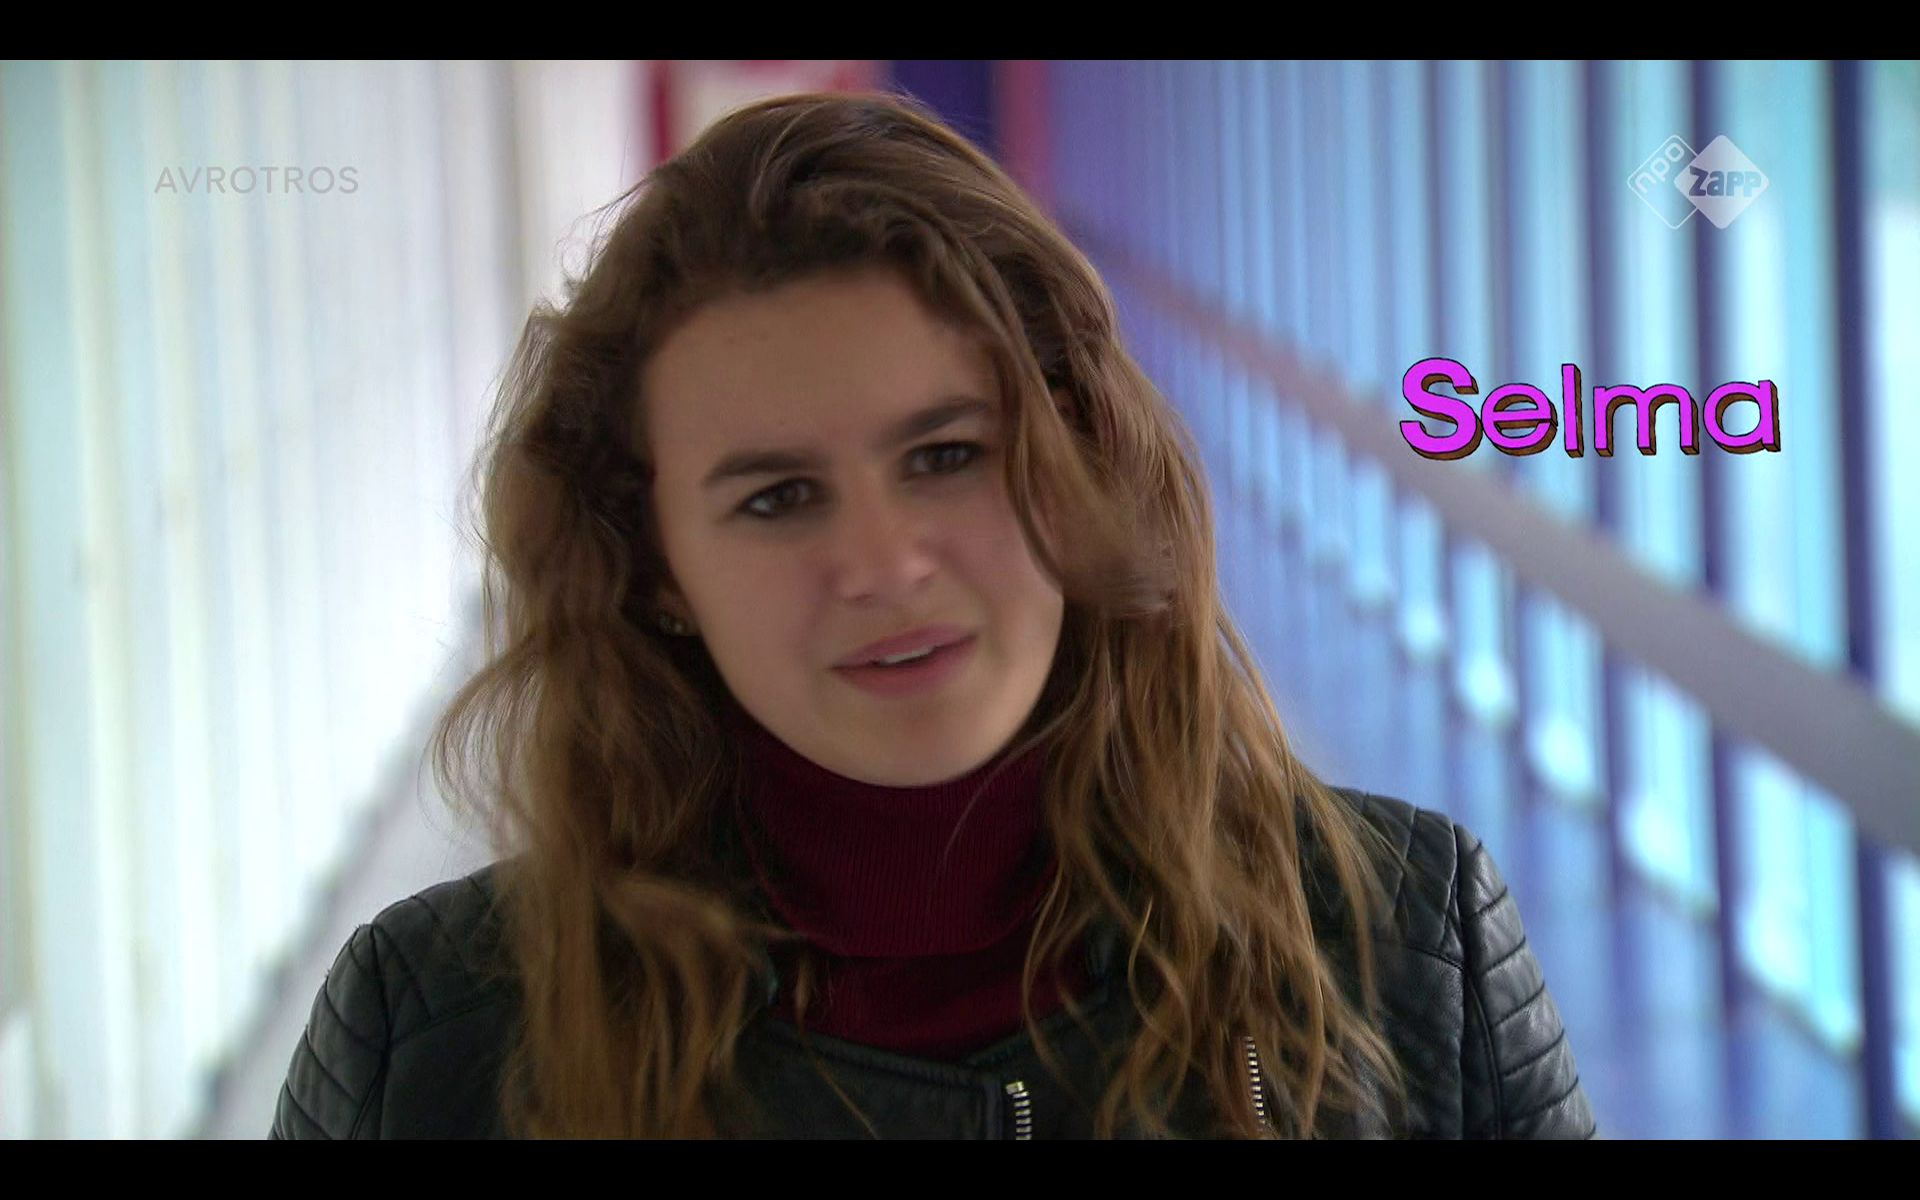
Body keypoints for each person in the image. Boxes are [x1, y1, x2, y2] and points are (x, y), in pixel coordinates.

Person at [269, 90, 1596, 1140]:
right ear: (655, 567)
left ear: (1075, 468)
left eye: (946, 455)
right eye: (778, 498)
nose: (885, 565)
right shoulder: (435, 1033)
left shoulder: (1408, 943)